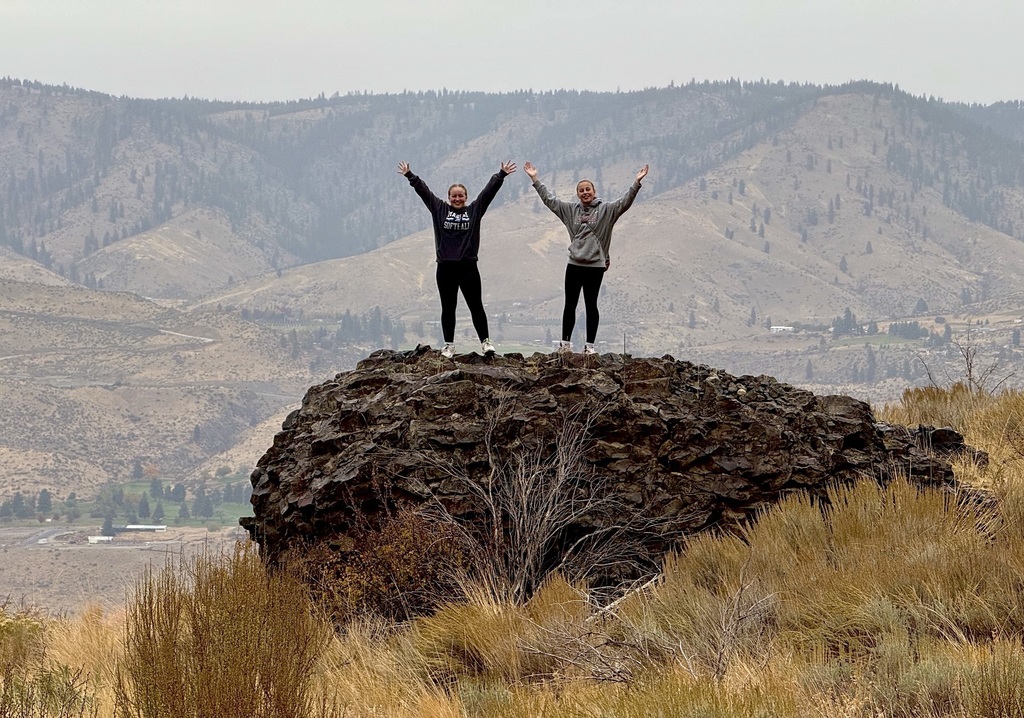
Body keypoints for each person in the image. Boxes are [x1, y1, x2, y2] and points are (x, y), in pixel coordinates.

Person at [524, 161, 649, 354]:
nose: (585, 193)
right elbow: (550, 200)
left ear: (594, 190)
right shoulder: (570, 210)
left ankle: (590, 347)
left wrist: (637, 183)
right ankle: (565, 345)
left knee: (591, 305)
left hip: (595, 266)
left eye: (588, 189)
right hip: (574, 264)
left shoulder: (606, 210)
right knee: (570, 304)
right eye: (581, 190)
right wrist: (535, 178)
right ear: (578, 194)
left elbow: (625, 202)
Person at [399, 160, 516, 358]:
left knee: (476, 305)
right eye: (454, 196)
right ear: (449, 197)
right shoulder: (439, 209)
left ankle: (486, 342)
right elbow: (424, 192)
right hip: (445, 268)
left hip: (469, 267)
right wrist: (410, 175)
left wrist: (501, 175)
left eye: (461, 196)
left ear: (466, 197)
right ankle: (449, 345)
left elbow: (488, 194)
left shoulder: (474, 211)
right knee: (448, 307)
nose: (457, 199)